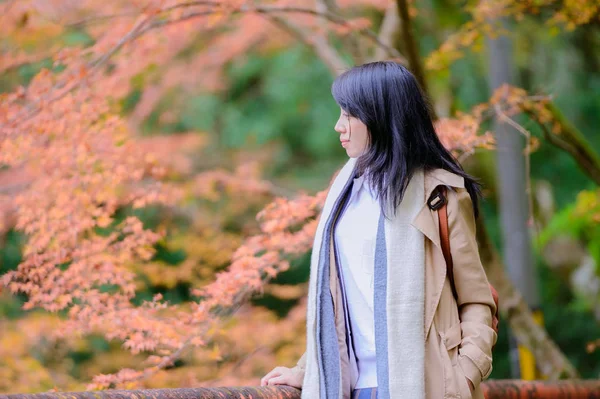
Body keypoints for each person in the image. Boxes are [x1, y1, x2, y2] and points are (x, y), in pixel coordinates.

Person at [260, 61, 497, 399]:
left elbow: (477, 300)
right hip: (346, 388)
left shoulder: (438, 196)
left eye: (348, 115)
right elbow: (342, 302)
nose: (338, 126)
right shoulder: (343, 196)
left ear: (379, 116)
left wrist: (463, 376)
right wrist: (306, 370)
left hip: (424, 387)